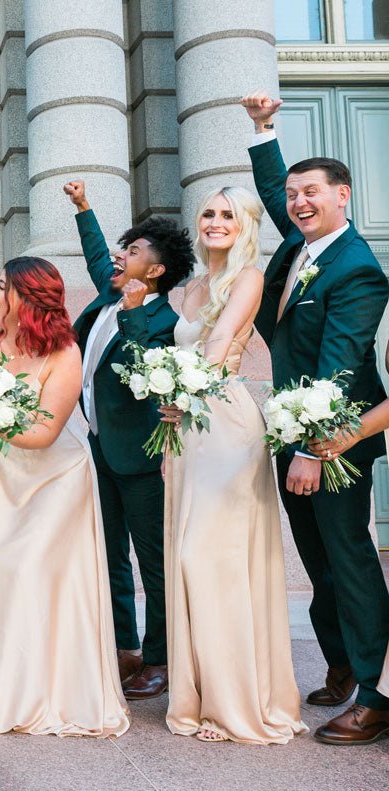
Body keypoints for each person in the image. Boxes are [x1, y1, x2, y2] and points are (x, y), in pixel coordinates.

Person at [243, 91, 389, 745]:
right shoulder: (303, 247)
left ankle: (374, 694)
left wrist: (311, 449)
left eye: (313, 193)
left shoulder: (357, 270)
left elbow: (337, 366)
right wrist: (264, 130)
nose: (299, 202)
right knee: (319, 557)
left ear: (345, 197)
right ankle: (338, 664)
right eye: (296, 194)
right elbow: (276, 195)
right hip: (294, 432)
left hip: (334, 440)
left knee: (349, 557)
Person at [0, 258, 129, 738]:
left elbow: (44, 431)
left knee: (41, 576)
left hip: (57, 478)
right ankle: (3, 688)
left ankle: (57, 690)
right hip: (6, 474)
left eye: (4, 287)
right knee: (2, 573)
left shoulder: (64, 352)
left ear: (29, 297)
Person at [159, 187, 306, 744]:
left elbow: (220, 344)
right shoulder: (191, 286)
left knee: (211, 557)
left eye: (229, 215)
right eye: (209, 214)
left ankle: (234, 700)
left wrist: (177, 388)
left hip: (226, 421)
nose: (217, 222)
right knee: (190, 556)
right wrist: (169, 408)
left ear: (246, 226)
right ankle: (198, 696)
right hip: (188, 429)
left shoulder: (246, 278)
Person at [65, 180, 194, 700]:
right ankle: (124, 648)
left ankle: (160, 657)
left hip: (141, 458)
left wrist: (136, 311)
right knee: (110, 552)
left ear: (156, 270)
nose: (123, 255)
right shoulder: (108, 291)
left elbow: (148, 371)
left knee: (153, 561)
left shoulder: (165, 321)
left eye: (135, 251)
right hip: (96, 446)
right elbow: (99, 253)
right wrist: (84, 208)